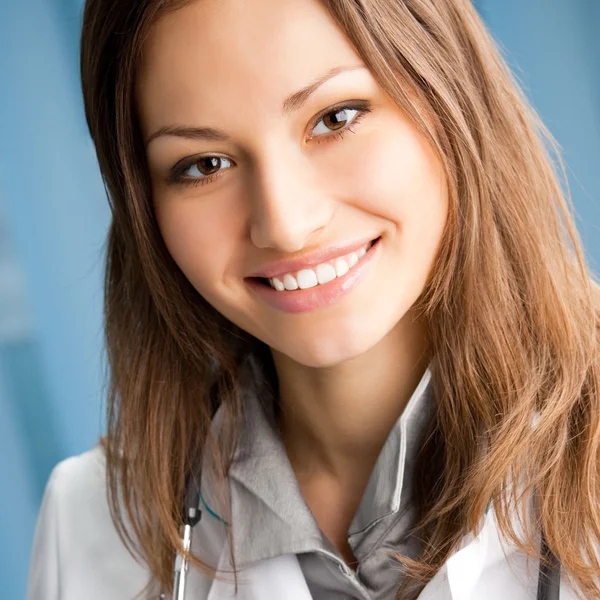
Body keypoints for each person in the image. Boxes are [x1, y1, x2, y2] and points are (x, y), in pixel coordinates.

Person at [25, 0, 600, 598]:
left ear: (449, 89)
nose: (286, 225)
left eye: (335, 117)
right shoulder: (88, 526)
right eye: (205, 164)